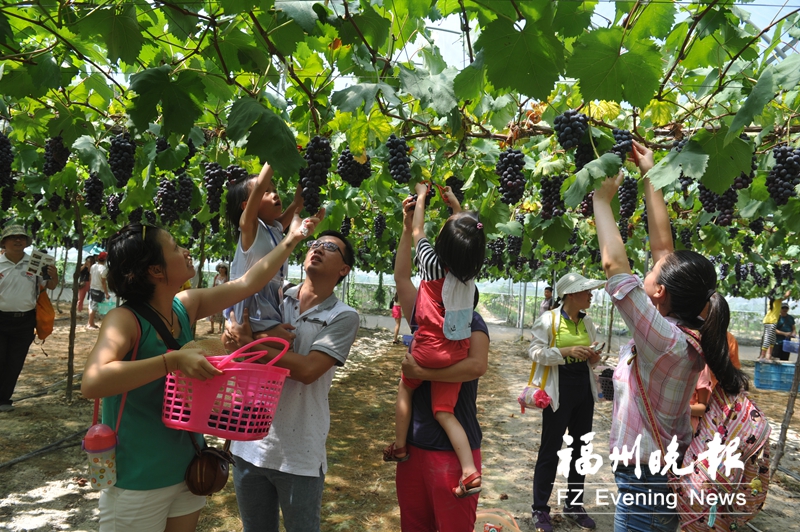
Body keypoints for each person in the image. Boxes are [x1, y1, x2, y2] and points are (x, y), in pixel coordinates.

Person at [80, 213, 320, 532]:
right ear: (155, 270)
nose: (186, 250)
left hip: (186, 470)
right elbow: (93, 382)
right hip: (137, 477)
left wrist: (292, 239)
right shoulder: (124, 320)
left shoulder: (184, 305)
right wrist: (172, 361)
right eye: (176, 247)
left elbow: (248, 283)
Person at [592, 141, 746, 532]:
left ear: (660, 292)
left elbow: (615, 265)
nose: (655, 260)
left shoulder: (663, 339)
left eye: (658, 270)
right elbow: (665, 250)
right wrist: (650, 173)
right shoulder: (686, 330)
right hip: (657, 471)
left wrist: (601, 201)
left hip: (645, 478)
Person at [223, 229, 359, 532]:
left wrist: (254, 342)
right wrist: (239, 337)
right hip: (249, 446)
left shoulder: (343, 316)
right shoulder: (275, 293)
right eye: (314, 243)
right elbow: (232, 336)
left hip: (299, 454)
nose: (317, 248)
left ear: (344, 270)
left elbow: (309, 370)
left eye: (329, 247)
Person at [392, 194, 490, 531]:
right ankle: (413, 450)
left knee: (405, 390)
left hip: (441, 455)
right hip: (427, 450)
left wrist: (421, 371)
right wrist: (410, 229)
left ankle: (398, 445)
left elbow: (477, 366)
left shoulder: (430, 318)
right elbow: (403, 278)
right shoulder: (464, 303)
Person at [529, 272, 604, 532]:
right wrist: (565, 352)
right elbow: (535, 352)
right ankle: (540, 509)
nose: (591, 294)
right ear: (571, 294)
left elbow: (592, 362)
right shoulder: (548, 320)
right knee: (550, 449)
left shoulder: (588, 322)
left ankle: (574, 505)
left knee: (581, 449)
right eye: (586, 291)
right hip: (558, 391)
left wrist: (593, 356)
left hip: (583, 390)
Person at [224, 160, 303, 345]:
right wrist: (275, 154)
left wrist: (308, 167)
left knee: (268, 352)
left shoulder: (275, 228)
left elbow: (298, 203)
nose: (274, 194)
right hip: (250, 301)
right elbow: (258, 187)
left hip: (270, 299)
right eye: (267, 192)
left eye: (274, 190)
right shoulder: (249, 227)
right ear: (246, 205)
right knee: (261, 349)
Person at [0, 224, 58, 413]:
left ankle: (5, 399)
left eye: (21, 237)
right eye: (13, 237)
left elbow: (50, 286)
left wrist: (54, 275)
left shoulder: (36, 262)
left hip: (25, 321)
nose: (18, 240)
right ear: (4, 242)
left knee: (15, 361)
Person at [759, 290, 790, 361]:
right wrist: (789, 288)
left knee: (773, 340)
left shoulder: (773, 300)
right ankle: (762, 356)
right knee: (768, 338)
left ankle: (769, 356)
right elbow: (787, 295)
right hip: (771, 321)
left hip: (770, 321)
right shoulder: (777, 300)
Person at [87, 251, 110, 330]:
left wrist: (91, 285)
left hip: (92, 288)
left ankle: (90, 322)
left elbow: (90, 277)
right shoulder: (104, 269)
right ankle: (90, 324)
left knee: (91, 305)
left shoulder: (93, 266)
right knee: (94, 307)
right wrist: (106, 293)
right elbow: (103, 282)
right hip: (98, 290)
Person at [206, 263, 228, 334]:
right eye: (220, 267)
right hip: (215, 296)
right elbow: (213, 285)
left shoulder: (227, 278)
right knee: (212, 311)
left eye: (222, 267)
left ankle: (219, 328)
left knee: (221, 312)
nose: (221, 269)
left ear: (225, 269)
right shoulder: (216, 277)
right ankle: (212, 328)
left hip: (222, 297)